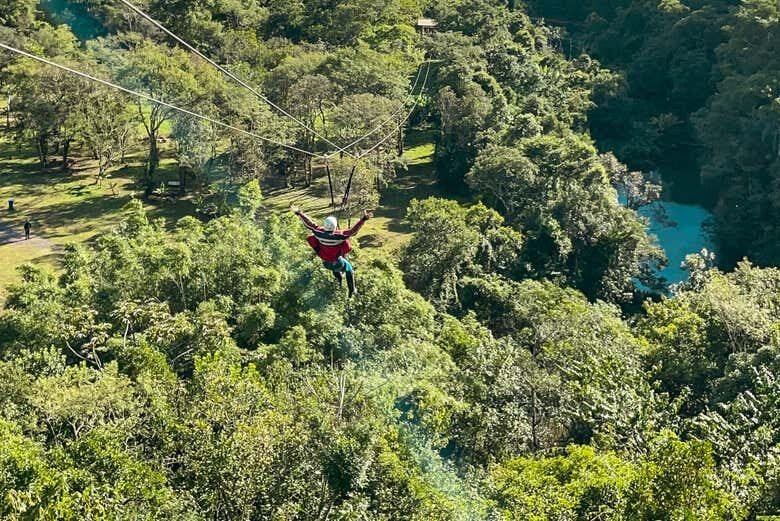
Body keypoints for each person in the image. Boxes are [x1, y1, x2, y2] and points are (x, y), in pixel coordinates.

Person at [291, 205, 372, 298]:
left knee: (334, 268)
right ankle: (352, 290)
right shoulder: (340, 235)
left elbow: (309, 224)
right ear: (335, 226)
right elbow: (353, 231)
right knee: (349, 268)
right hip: (338, 263)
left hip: (326, 264)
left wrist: (299, 213)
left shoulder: (318, 233)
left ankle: (339, 282)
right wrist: (364, 219)